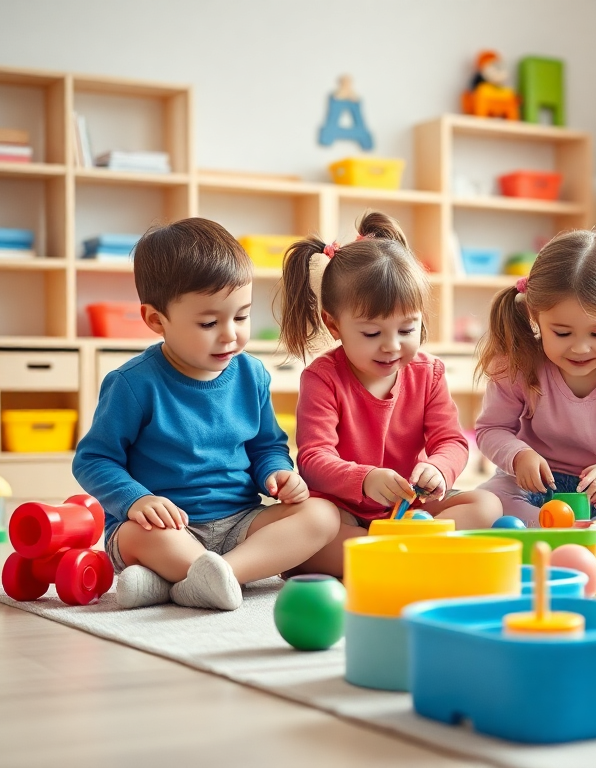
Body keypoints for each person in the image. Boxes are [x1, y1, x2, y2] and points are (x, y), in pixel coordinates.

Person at [74, 218, 340, 610]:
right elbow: (93, 459)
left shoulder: (251, 374)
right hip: (165, 527)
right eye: (209, 322)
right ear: (155, 320)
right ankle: (205, 574)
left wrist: (277, 473)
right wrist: (135, 500)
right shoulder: (133, 384)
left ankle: (200, 577)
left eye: (242, 316)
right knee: (137, 536)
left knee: (322, 515)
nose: (230, 334)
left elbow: (267, 446)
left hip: (240, 522)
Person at [280, 212, 501, 571]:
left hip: (408, 511)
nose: (391, 346)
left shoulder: (428, 373)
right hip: (343, 513)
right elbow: (313, 459)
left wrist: (439, 470)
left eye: (407, 329)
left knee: (487, 506)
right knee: (307, 529)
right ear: (333, 325)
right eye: (371, 334)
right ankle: (399, 556)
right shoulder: (322, 377)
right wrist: (364, 479)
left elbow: (452, 441)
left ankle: (388, 556)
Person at [475, 229, 596, 525]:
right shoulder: (516, 363)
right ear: (534, 315)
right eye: (562, 332)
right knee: (488, 501)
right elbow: (491, 429)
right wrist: (519, 457)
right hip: (537, 487)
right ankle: (567, 529)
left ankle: (585, 530)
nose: (580, 348)